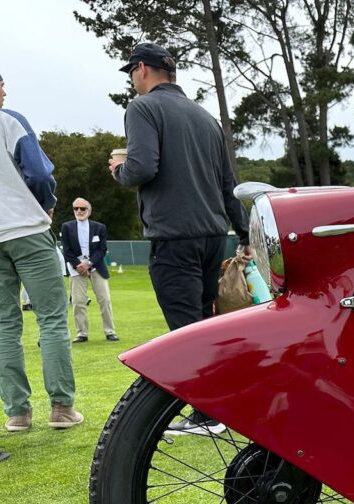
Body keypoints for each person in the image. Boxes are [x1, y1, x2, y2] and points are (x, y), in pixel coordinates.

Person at [110, 43, 250, 434]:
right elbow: (228, 184)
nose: (132, 80)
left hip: (174, 236)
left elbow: (141, 167)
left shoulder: (142, 108)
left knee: (186, 331)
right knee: (204, 323)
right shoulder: (205, 117)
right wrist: (243, 232)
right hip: (213, 236)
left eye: (131, 73)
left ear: (141, 69)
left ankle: (208, 414)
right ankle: (219, 407)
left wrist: (119, 170)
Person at [0, 55, 82, 431]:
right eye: (1, 84)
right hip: (27, 229)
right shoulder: (10, 120)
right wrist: (47, 206)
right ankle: (61, 408)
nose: (5, 91)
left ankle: (17, 413)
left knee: (2, 324)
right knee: (53, 319)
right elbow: (40, 174)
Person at [61, 198, 118, 342]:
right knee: (78, 302)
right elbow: (66, 251)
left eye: (82, 208)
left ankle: (110, 331)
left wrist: (89, 264)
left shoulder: (99, 227)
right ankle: (82, 333)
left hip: (96, 267)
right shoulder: (67, 227)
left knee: (104, 300)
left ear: (89, 211)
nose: (79, 211)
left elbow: (102, 249)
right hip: (76, 269)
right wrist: (79, 266)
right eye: (76, 208)